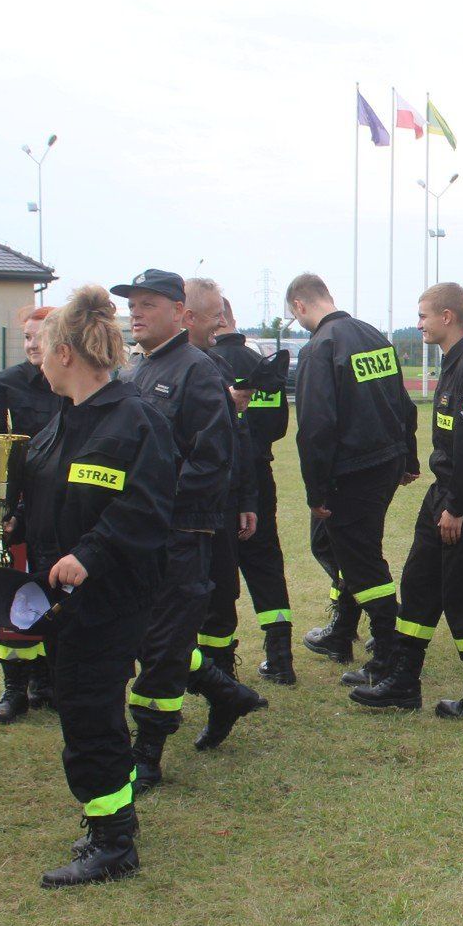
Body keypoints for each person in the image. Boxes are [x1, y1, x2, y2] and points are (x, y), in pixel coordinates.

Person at [0, 286, 177, 887]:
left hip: (109, 597)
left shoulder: (135, 420)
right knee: (82, 708)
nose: (37, 362)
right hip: (59, 600)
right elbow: (50, 496)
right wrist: (15, 524)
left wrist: (90, 553)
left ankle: (113, 844)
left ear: (66, 353)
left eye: (44, 350)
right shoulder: (64, 421)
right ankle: (111, 819)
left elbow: (147, 507)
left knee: (89, 711)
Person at [112, 268, 262, 790]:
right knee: (147, 634)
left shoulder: (198, 371)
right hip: (136, 531)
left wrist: (157, 503)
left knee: (162, 643)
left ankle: (148, 751)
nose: (136, 312)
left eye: (148, 303)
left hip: (180, 531)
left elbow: (212, 459)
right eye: (132, 304)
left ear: (179, 312)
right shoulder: (134, 370)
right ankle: (225, 694)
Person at [351, 284, 463, 719]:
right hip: (444, 492)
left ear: (447, 316)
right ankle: (404, 682)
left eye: (423, 316)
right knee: (419, 584)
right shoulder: (455, 362)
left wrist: (456, 507)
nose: (418, 323)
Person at [284, 274, 420, 690]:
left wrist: (316, 491)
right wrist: (408, 456)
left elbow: (315, 426)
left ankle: (389, 651)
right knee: (337, 547)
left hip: (352, 470)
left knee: (360, 559)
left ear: (299, 306)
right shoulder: (373, 337)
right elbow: (404, 403)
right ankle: (342, 630)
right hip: (383, 462)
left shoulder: (318, 348)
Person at [0, 303, 61, 722]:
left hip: (60, 509)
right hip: (15, 511)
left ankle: (47, 681)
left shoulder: (72, 384)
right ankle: (14, 690)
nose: (31, 345)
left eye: (39, 337)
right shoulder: (5, 385)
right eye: (26, 337)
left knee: (52, 593)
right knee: (14, 593)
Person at [181, 279, 260, 688]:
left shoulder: (218, 366)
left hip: (223, 503)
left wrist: (246, 498)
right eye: (216, 316)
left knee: (223, 589)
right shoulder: (154, 369)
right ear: (188, 316)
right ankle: (188, 673)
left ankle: (221, 674)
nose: (222, 324)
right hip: (180, 508)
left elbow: (238, 440)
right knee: (183, 596)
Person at [212, 298, 296, 684]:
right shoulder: (258, 363)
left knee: (218, 568)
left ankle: (217, 662)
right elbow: (279, 425)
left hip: (220, 478)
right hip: (260, 473)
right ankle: (280, 657)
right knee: (265, 562)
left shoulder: (205, 363)